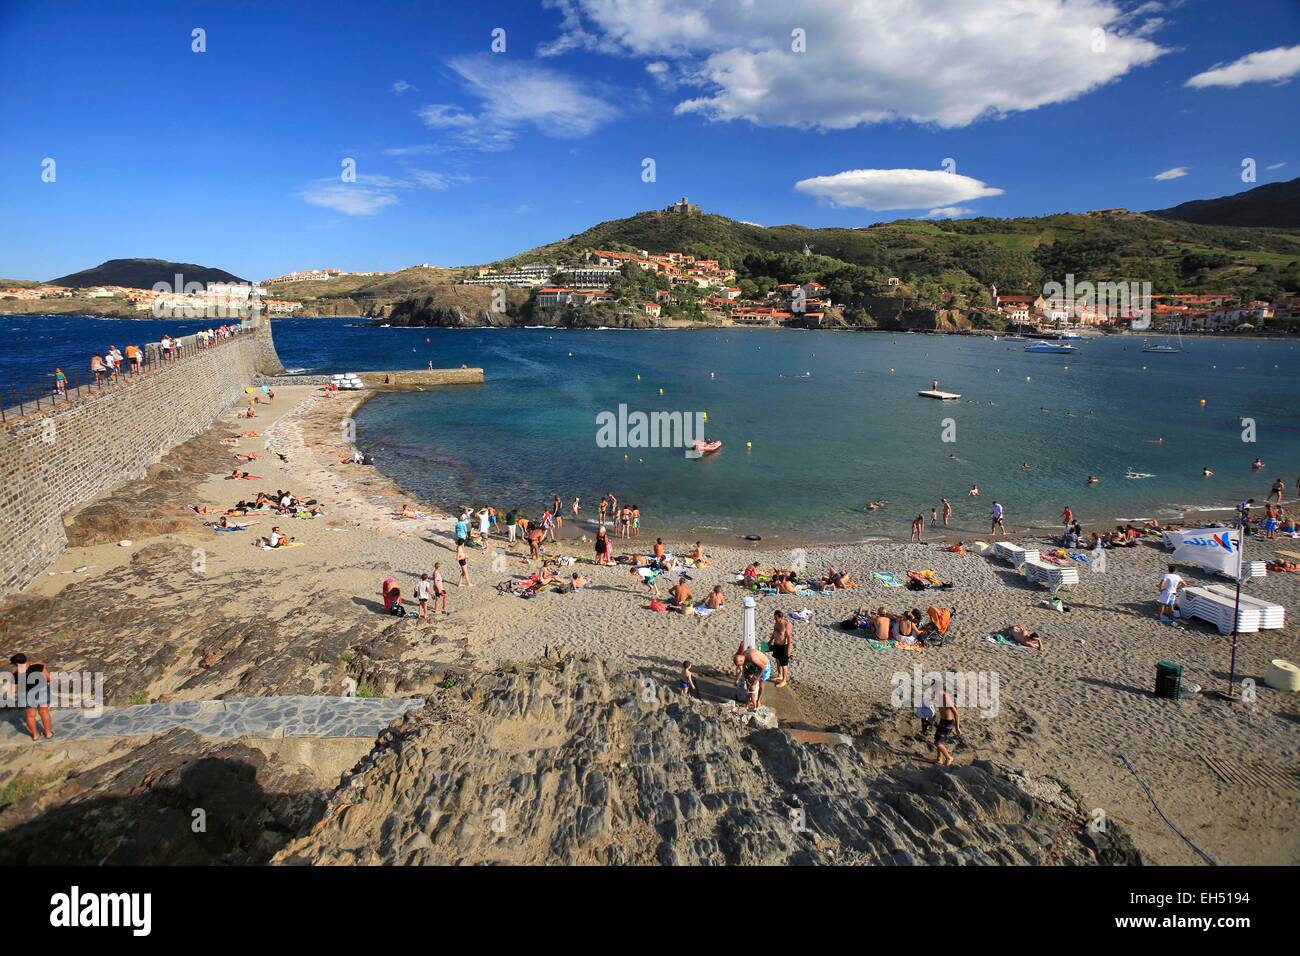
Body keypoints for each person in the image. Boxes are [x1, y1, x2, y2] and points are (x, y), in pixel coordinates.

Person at [10, 654, 53, 741]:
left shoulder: (15, 675)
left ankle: (35, 735)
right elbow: (50, 678)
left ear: (16, 664)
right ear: (26, 659)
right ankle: (48, 734)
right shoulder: (39, 667)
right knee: (44, 712)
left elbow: (13, 690)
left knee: (30, 716)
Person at [934, 689, 961, 766]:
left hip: (947, 723)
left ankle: (949, 758)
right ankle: (939, 759)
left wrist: (957, 728)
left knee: (938, 743)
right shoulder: (939, 696)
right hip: (942, 721)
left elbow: (956, 713)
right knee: (937, 739)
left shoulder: (945, 697)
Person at [770, 610, 793, 687]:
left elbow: (789, 637)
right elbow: (774, 632)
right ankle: (779, 675)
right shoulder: (776, 623)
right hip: (776, 644)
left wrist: (789, 648)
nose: (775, 619)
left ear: (781, 617)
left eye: (776, 618)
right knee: (777, 660)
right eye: (774, 617)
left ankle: (784, 680)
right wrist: (770, 641)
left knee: (784, 664)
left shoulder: (786, 625)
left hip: (784, 646)